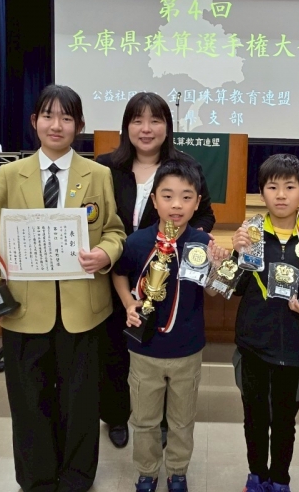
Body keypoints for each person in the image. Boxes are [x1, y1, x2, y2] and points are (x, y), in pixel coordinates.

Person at [0, 84, 126, 492]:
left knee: (81, 400)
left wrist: (105, 254)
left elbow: (114, 231)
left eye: (66, 117)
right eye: (48, 116)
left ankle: (77, 476)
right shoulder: (10, 174)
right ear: (34, 121)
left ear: (79, 126)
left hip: (83, 311)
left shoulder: (98, 174)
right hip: (24, 310)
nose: (57, 125)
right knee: (28, 399)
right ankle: (37, 477)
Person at [96, 91, 216, 448]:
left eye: (155, 120)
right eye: (138, 120)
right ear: (126, 126)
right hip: (117, 268)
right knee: (114, 346)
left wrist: (189, 243)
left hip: (166, 276)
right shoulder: (105, 167)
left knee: (156, 346)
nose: (146, 129)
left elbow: (205, 214)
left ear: (167, 126)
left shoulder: (184, 166)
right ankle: (117, 415)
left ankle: (163, 420)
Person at [111, 157, 228, 492]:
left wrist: (217, 266)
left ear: (197, 203)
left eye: (186, 197)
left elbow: (214, 290)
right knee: (144, 419)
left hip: (187, 350)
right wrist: (128, 303)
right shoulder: (137, 242)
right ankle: (147, 472)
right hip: (144, 350)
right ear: (154, 200)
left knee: (181, 420)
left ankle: (177, 471)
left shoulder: (202, 244)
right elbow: (119, 274)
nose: (177, 205)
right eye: (168, 196)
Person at [231, 154, 299, 492]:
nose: (281, 195)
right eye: (272, 187)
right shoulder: (251, 233)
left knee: (284, 421)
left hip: (294, 347)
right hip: (253, 345)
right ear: (261, 192)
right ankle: (256, 475)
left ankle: (280, 479)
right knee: (254, 418)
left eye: (289, 187)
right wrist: (236, 253)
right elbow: (235, 287)